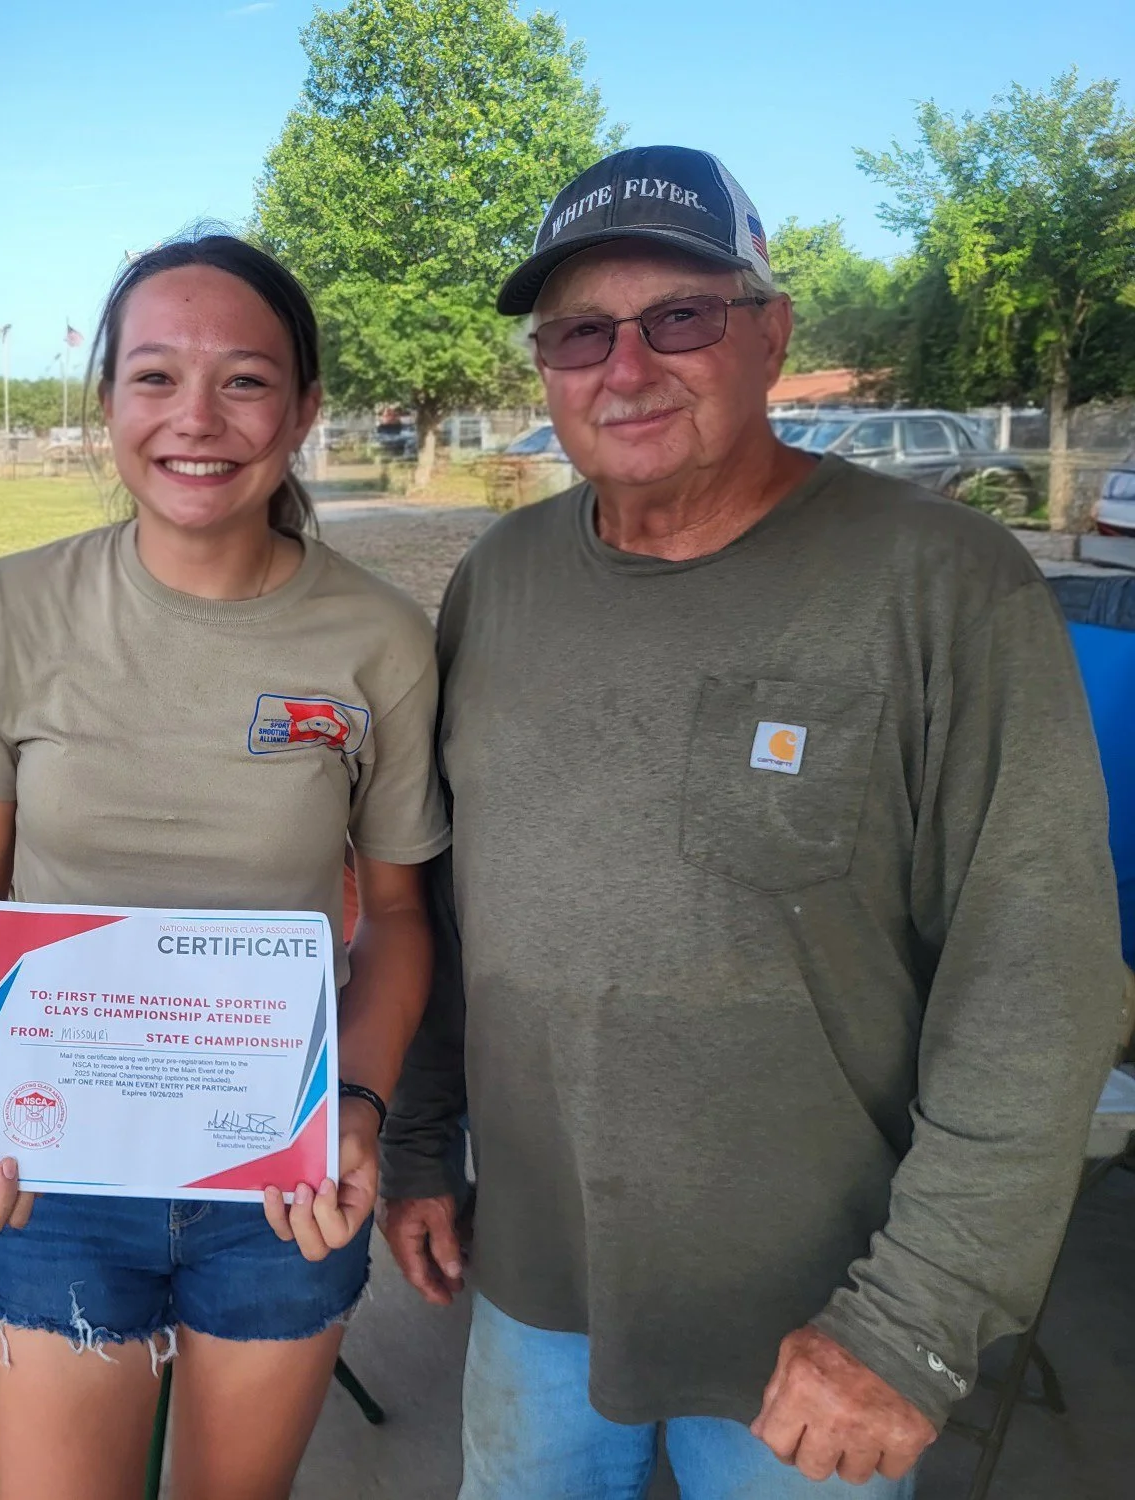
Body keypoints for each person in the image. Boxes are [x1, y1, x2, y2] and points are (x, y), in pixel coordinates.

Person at [377, 144, 1130, 1498]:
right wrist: (422, 1141)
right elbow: (450, 901)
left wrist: (916, 1319)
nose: (627, 366)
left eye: (681, 317)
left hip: (820, 1318)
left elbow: (1038, 976)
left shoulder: (944, 585)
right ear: (543, 367)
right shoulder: (500, 581)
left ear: (771, 330)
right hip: (537, 1279)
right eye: (580, 332)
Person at [0, 234, 450, 1500]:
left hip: (278, 1174)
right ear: (106, 403)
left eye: (245, 381)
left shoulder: (378, 641)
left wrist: (356, 1115)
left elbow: (400, 920)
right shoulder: (17, 606)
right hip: (57, 1162)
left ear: (304, 410)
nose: (194, 420)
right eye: (153, 378)